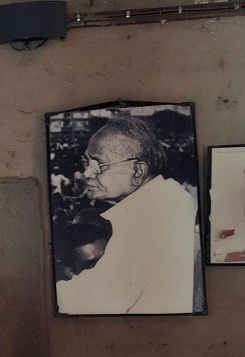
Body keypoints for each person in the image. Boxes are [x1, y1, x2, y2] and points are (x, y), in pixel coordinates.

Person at [55, 114, 199, 314]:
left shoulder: (149, 215)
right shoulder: (171, 198)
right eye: (86, 162)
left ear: (138, 171)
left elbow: (97, 297)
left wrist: (44, 291)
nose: (87, 173)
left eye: (98, 164)